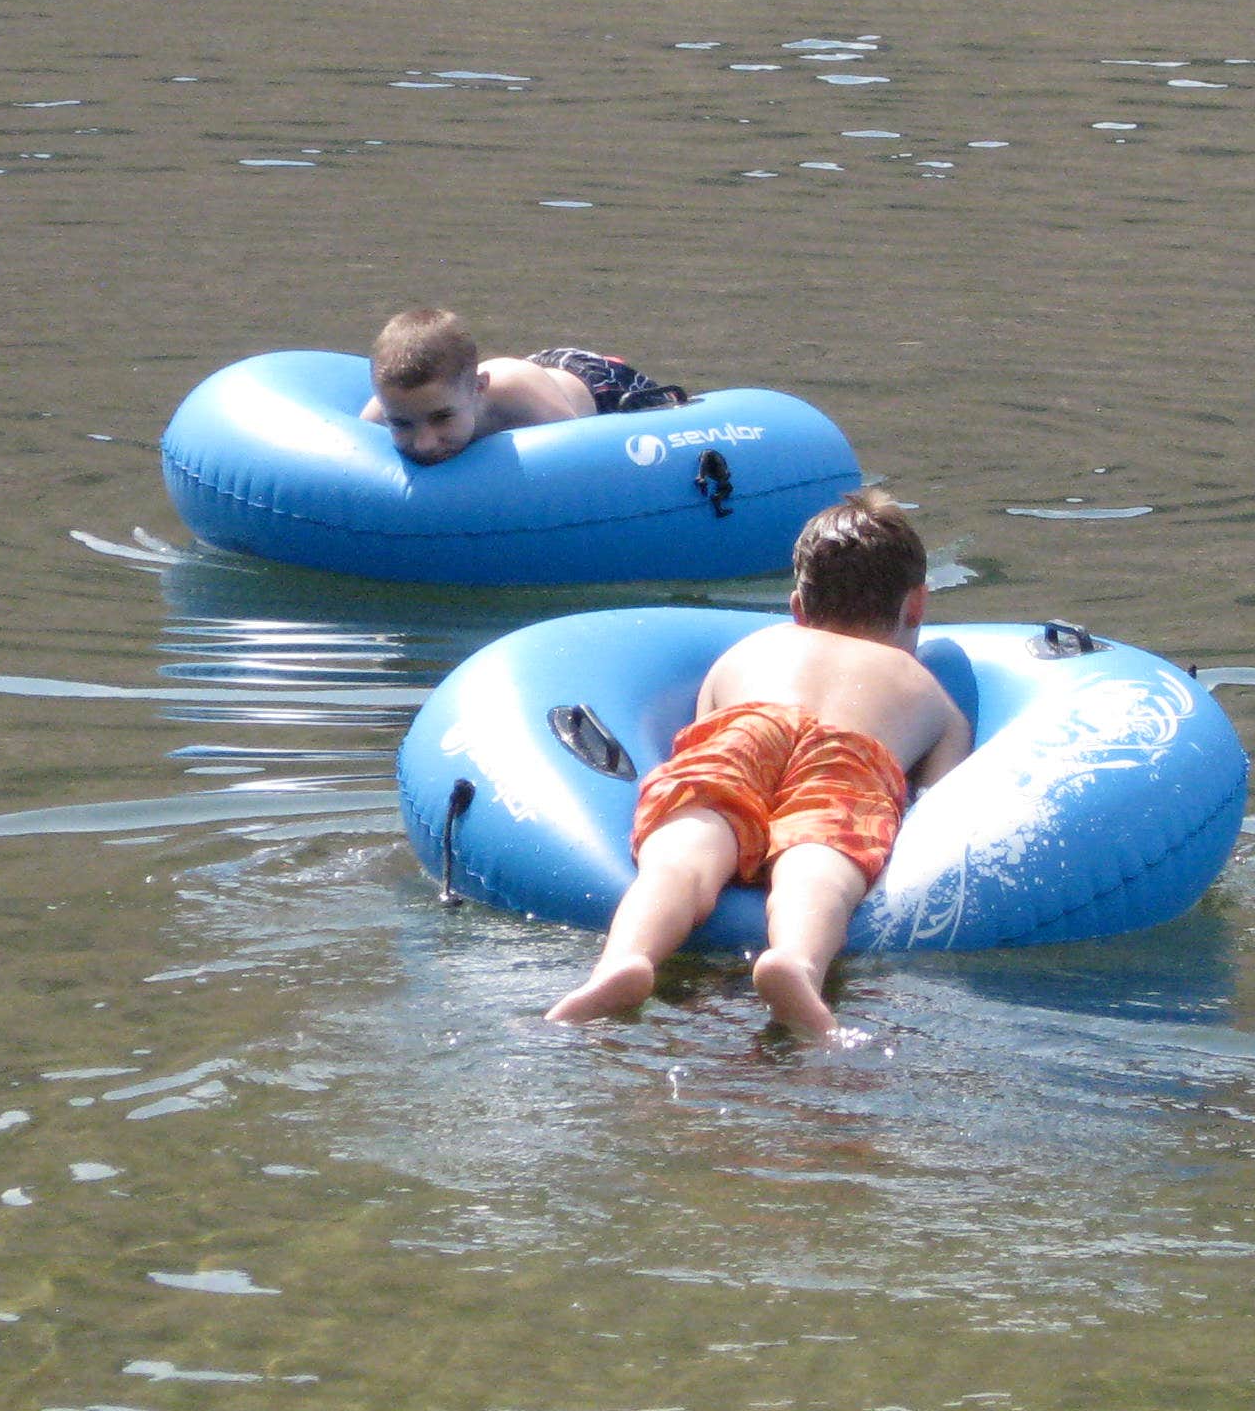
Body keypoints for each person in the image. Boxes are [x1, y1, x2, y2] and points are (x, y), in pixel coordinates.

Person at [546, 490, 970, 1037]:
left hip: (747, 731)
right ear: (916, 605)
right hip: (850, 753)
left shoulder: (749, 651)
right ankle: (794, 962)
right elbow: (944, 808)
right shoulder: (930, 693)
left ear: (798, 607)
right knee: (820, 870)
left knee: (683, 856)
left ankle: (625, 960)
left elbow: (698, 744)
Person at [360, 303, 685, 465]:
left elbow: (583, 460)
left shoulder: (524, 401)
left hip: (597, 386)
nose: (424, 444)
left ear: (478, 389)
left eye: (442, 418)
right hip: (528, 367)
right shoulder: (395, 401)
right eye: (401, 424)